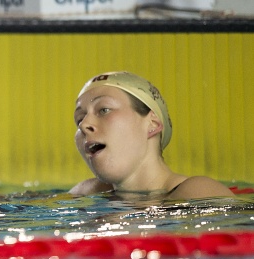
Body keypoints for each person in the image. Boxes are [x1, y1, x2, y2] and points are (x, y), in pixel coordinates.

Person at [69, 71, 234, 200]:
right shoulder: (87, 194)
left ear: (152, 124)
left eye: (104, 110)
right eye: (79, 119)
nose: (84, 125)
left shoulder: (198, 192)